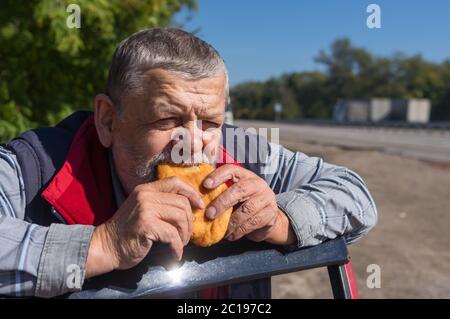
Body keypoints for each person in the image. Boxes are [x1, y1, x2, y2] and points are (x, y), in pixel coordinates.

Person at [0, 28, 377, 298]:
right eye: (168, 120)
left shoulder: (245, 155)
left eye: (210, 122)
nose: (193, 142)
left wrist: (281, 219)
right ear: (107, 120)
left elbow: (355, 195)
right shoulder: (37, 166)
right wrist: (103, 245)